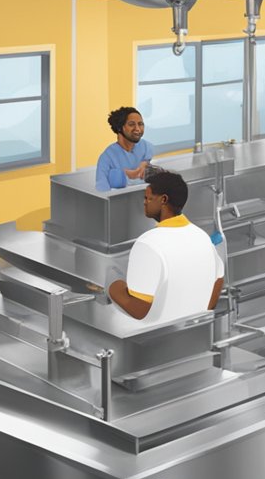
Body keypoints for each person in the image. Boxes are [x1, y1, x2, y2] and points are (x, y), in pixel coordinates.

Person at [108, 172, 225, 323]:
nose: (144, 202)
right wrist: (200, 312)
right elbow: (219, 279)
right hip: (194, 332)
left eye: (148, 198)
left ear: (163, 199)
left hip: (153, 338)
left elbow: (138, 309)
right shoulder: (202, 237)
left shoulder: (148, 244)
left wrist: (112, 283)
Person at [95, 107, 155, 191]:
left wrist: (145, 163)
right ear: (120, 127)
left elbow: (149, 152)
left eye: (140, 124)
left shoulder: (145, 146)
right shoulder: (107, 158)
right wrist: (125, 174)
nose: (137, 129)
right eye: (131, 124)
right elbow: (102, 190)